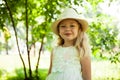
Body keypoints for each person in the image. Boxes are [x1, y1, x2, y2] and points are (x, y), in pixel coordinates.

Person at [46, 8, 91, 80]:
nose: (67, 29)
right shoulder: (55, 50)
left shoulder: (82, 50)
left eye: (72, 26)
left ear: (79, 29)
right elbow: (50, 72)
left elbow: (87, 77)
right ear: (59, 30)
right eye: (63, 26)